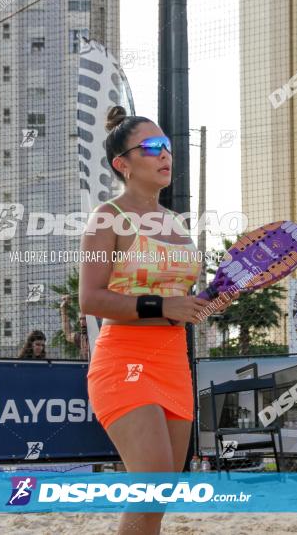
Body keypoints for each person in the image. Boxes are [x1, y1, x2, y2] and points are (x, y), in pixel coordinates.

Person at [79, 106, 235, 535]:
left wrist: (212, 301)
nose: (165, 154)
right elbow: (90, 299)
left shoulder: (178, 226)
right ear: (122, 164)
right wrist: (163, 307)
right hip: (123, 361)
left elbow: (184, 306)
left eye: (167, 145)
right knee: (150, 484)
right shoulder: (106, 217)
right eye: (151, 147)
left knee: (160, 494)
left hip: (172, 365)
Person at [60, 295, 90, 360]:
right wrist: (63, 309)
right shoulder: (80, 337)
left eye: (85, 319)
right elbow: (68, 334)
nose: (82, 322)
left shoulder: (100, 333)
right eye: (81, 319)